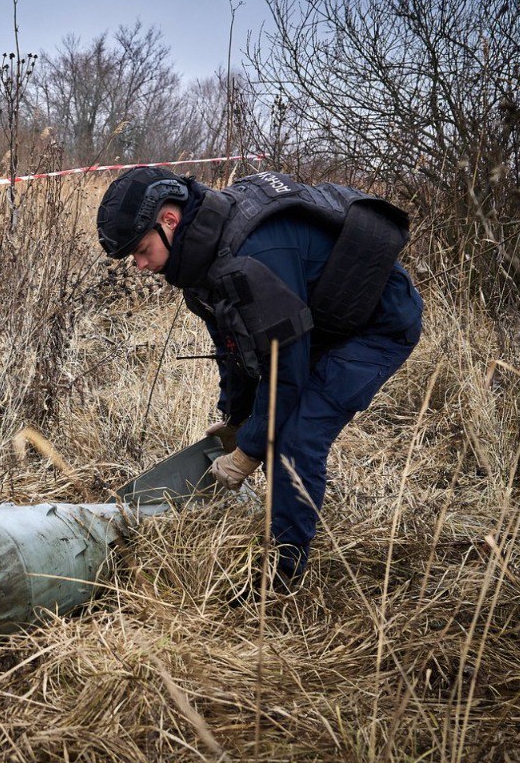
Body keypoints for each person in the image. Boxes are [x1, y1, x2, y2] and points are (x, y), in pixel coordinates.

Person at [96, 168, 423, 600]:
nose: (139, 265)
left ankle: (281, 577)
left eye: (141, 250)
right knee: (274, 425)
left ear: (169, 220)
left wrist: (250, 449)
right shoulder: (204, 263)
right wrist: (236, 419)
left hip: (377, 327)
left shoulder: (251, 259)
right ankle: (285, 521)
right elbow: (237, 350)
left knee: (293, 441)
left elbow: (285, 369)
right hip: (318, 323)